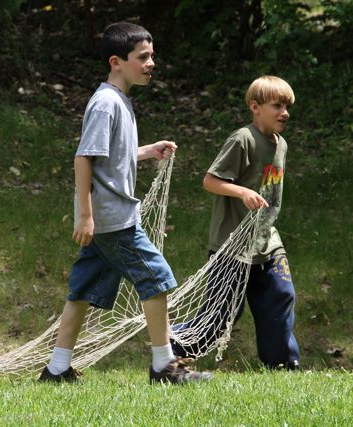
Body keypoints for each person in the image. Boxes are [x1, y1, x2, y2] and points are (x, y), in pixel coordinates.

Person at [38, 22, 212, 385]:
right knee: (156, 278)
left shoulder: (119, 101)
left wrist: (146, 152)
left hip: (106, 219)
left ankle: (55, 370)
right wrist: (86, 216)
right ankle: (164, 366)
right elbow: (83, 158)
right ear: (116, 62)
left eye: (152, 56)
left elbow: (110, 157)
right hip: (112, 220)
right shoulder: (106, 104)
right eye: (143, 57)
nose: (151, 63)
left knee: (83, 290)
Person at [172, 76, 301, 370]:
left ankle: (283, 366)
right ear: (255, 107)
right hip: (231, 246)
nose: (285, 113)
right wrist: (242, 192)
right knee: (219, 318)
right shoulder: (243, 139)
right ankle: (171, 346)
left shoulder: (281, 144)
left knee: (281, 297)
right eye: (277, 106)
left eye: (287, 107)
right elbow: (210, 181)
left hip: (267, 242)